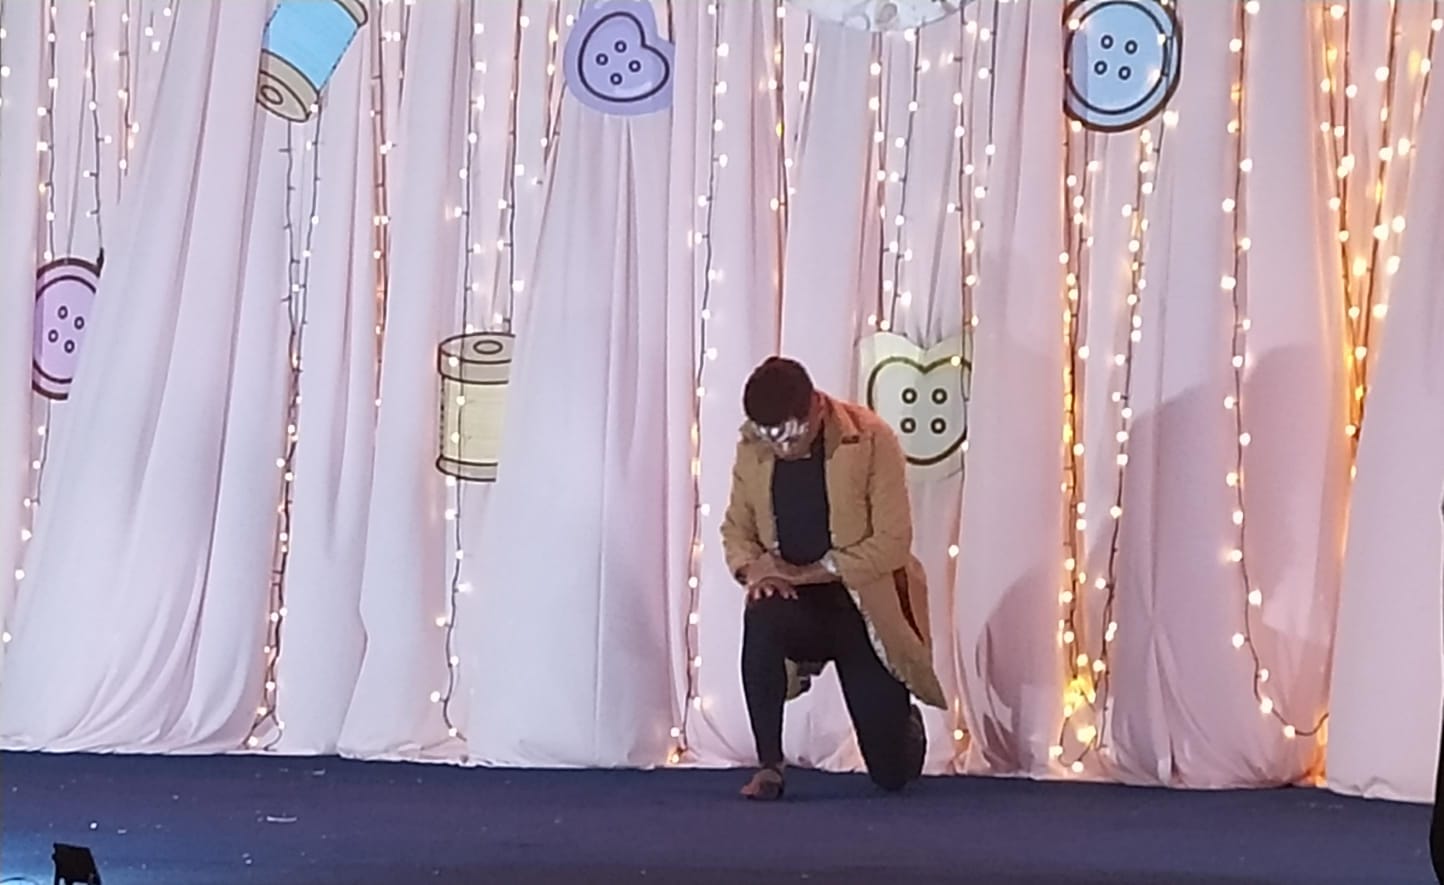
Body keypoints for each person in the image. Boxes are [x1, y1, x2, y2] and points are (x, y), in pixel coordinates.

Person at [720, 356, 947, 800]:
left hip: (863, 610)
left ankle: (904, 729)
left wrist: (810, 572)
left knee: (891, 777)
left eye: (789, 434)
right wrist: (754, 571)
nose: (781, 446)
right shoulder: (753, 447)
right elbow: (736, 529)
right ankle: (769, 766)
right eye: (769, 435)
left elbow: (893, 542)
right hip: (797, 606)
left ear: (815, 407)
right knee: (761, 611)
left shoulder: (872, 438)